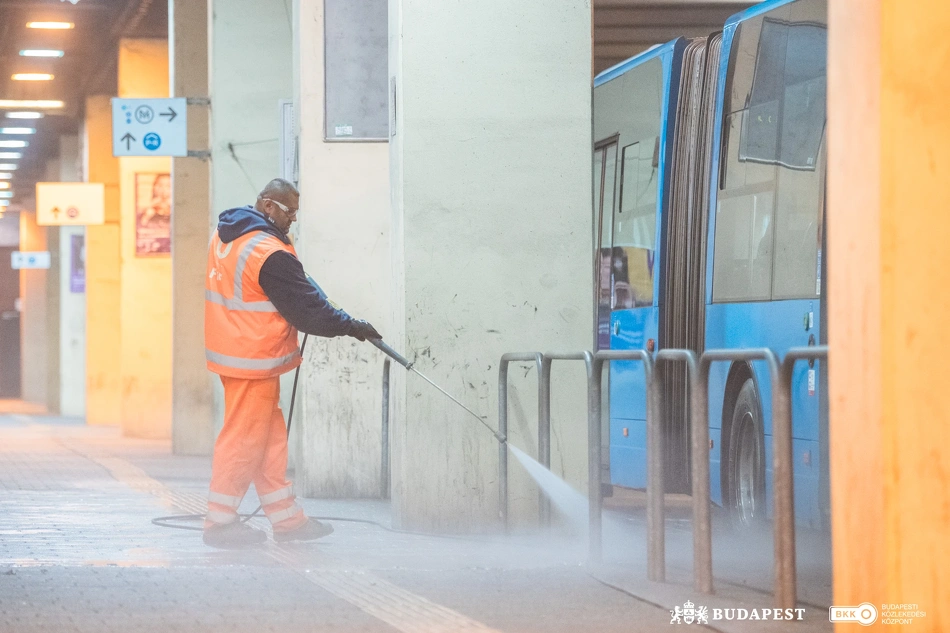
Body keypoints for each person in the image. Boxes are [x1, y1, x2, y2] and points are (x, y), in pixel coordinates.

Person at [203, 178, 381, 548]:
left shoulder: (227, 235)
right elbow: (307, 313)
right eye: (289, 211)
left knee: (268, 443)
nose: (293, 220)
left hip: (241, 355)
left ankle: (287, 520)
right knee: (243, 442)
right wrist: (351, 326)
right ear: (268, 206)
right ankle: (219, 523)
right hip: (252, 358)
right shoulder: (267, 252)